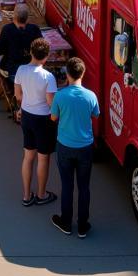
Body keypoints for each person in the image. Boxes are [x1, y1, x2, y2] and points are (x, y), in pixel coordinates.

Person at [50, 56, 100, 237]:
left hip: (64, 146)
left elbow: (53, 117)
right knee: (84, 187)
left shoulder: (60, 95)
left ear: (67, 74)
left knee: (67, 185)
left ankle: (66, 221)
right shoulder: (91, 96)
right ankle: (82, 225)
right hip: (85, 147)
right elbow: (95, 114)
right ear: (83, 73)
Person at [14, 37, 58, 207]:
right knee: (43, 158)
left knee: (28, 157)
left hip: (27, 116)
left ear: (31, 53)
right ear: (46, 57)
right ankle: (41, 194)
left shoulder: (21, 70)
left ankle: (26, 195)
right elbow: (50, 104)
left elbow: (18, 96)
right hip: (43, 120)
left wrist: (23, 106)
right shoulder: (48, 77)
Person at [0, 5, 43, 85]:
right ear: (27, 17)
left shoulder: (7, 29)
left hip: (12, 70)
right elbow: (41, 49)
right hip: (32, 70)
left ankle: (13, 89)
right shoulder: (35, 29)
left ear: (14, 16)